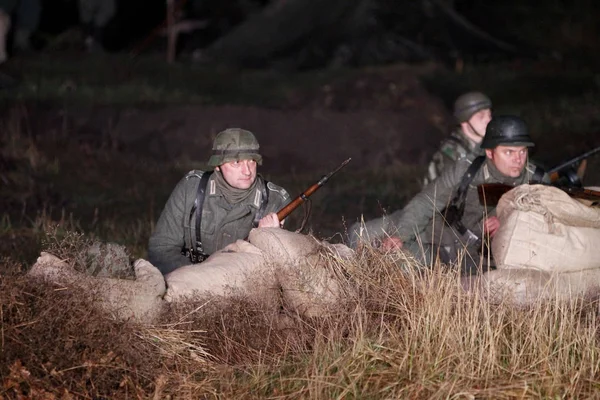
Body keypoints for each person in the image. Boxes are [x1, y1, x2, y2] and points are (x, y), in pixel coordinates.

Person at [350, 115, 548, 275]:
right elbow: (426, 202)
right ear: (489, 152)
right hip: (434, 230)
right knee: (358, 234)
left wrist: (509, 220)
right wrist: (401, 235)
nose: (518, 160)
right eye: (509, 152)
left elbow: (549, 222)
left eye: (522, 152)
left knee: (393, 264)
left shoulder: (537, 181)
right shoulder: (468, 170)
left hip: (461, 257)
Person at [148, 128, 291, 275]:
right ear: (217, 165)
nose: (247, 171)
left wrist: (272, 239)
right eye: (236, 163)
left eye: (252, 161)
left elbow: (282, 268)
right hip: (188, 278)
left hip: (241, 283)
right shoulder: (191, 189)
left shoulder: (275, 201)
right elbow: (161, 249)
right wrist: (200, 276)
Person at [423, 91, 492, 186]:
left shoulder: (490, 145)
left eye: (489, 115)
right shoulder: (450, 154)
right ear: (464, 121)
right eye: (481, 116)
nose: (488, 120)